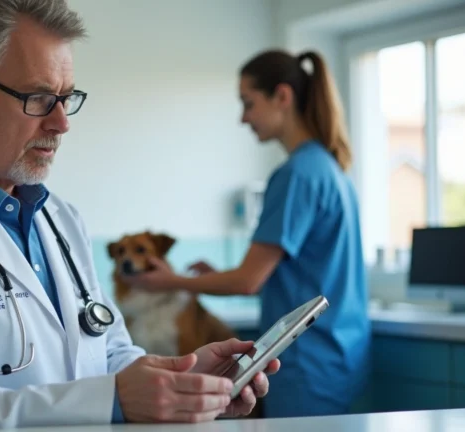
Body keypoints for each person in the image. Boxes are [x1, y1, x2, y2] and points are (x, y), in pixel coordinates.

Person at [0, 1, 280, 431]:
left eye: (67, 98)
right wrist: (113, 402)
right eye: (39, 98)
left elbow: (109, 354)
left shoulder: (60, 220)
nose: (62, 123)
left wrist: (180, 377)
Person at [122, 49, 372, 418]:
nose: (243, 118)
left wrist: (170, 282)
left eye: (248, 103)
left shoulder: (296, 175)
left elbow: (248, 281)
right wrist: (212, 277)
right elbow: (295, 270)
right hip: (341, 353)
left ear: (282, 97)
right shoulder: (330, 167)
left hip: (308, 361)